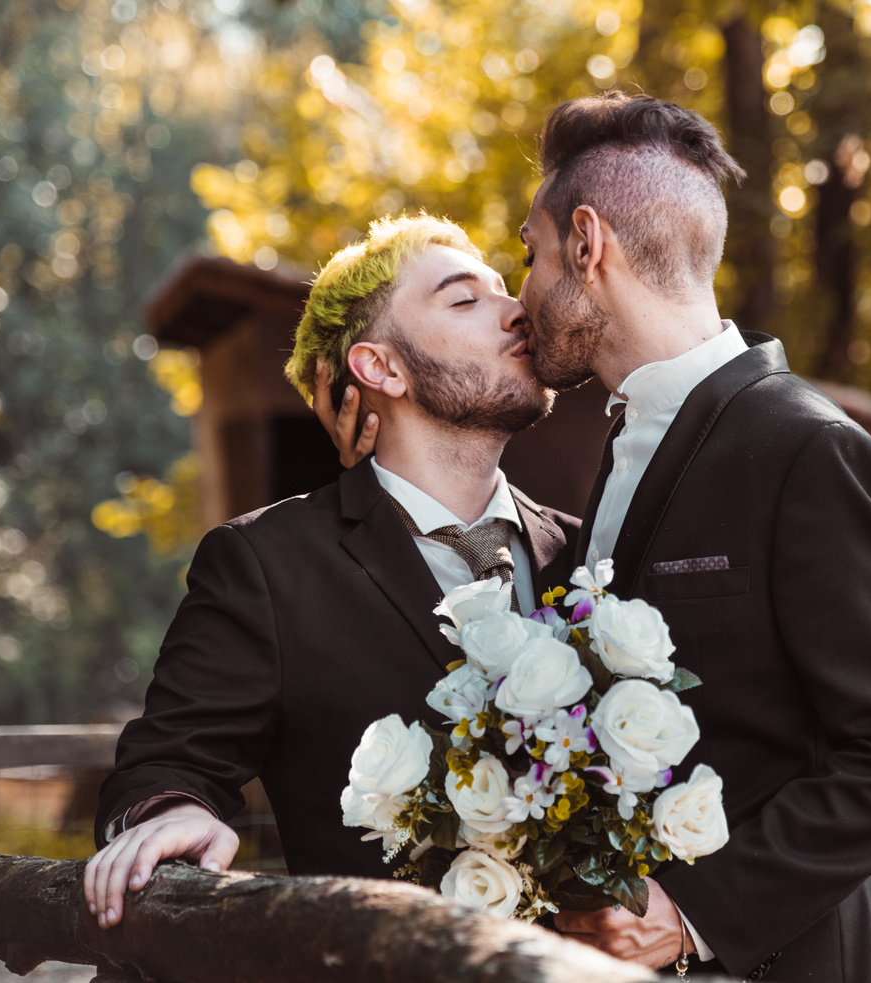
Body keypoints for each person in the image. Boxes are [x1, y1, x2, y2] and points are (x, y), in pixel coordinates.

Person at [324, 92, 871, 982]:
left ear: (588, 245)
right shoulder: (624, 448)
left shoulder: (806, 447)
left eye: (532, 253)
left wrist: (697, 913)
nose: (523, 296)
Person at [83, 214, 581, 929]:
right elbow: (165, 762)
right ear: (381, 368)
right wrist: (172, 813)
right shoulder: (265, 564)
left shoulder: (588, 552)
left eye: (505, 292)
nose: (518, 311)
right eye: (465, 299)